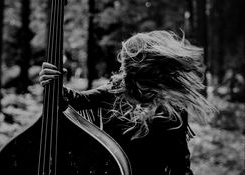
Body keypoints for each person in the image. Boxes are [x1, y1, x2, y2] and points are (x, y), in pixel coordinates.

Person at [39, 30, 216, 175]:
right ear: (131, 75)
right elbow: (73, 100)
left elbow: (179, 166)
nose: (147, 89)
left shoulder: (172, 110)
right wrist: (52, 83)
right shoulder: (113, 92)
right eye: (143, 81)